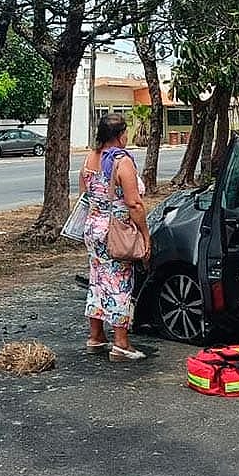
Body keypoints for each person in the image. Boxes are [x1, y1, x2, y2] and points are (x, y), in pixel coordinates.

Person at [80, 113, 151, 361]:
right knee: (120, 284)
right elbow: (134, 203)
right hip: (116, 232)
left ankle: (96, 336)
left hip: (93, 228)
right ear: (121, 135)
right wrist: (145, 234)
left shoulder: (90, 158)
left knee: (98, 281)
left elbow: (85, 194)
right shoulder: (122, 161)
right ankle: (121, 343)